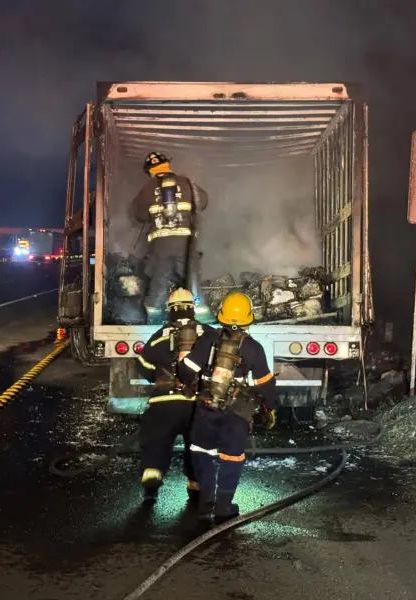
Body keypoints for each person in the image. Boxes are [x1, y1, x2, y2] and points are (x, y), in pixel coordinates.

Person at [178, 290, 279, 523]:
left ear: (221, 316)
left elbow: (186, 371)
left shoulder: (208, 340)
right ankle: (223, 506)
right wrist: (271, 409)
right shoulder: (253, 348)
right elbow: (266, 385)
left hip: (206, 408)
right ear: (248, 319)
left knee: (201, 452)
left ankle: (205, 502)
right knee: (232, 457)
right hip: (236, 413)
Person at [135, 288, 216, 504]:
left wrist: (158, 376)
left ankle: (151, 483)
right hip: (197, 403)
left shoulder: (159, 336)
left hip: (164, 403)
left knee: (156, 442)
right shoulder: (208, 333)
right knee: (196, 445)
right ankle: (196, 487)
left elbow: (142, 366)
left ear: (170, 309)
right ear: (192, 308)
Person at [132, 152, 209, 325]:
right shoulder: (187, 182)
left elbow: (139, 215)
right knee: (191, 277)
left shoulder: (147, 189)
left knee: (159, 279)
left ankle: (154, 315)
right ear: (167, 164)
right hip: (185, 243)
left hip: (161, 245)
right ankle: (199, 314)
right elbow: (203, 201)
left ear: (150, 170)